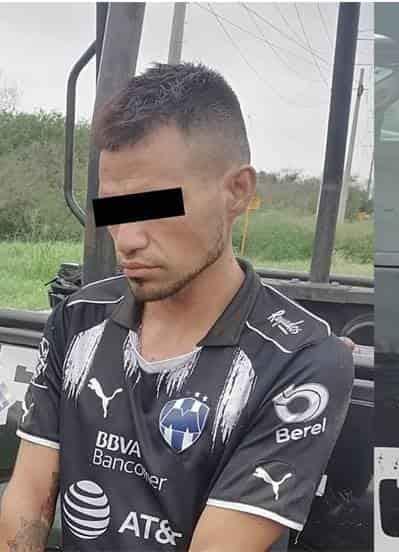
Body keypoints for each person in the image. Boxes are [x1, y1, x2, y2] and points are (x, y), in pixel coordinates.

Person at [0, 63, 354, 552]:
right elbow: (28, 498)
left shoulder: (299, 359)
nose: (127, 239)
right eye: (114, 209)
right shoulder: (80, 318)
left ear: (237, 192)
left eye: (154, 206)